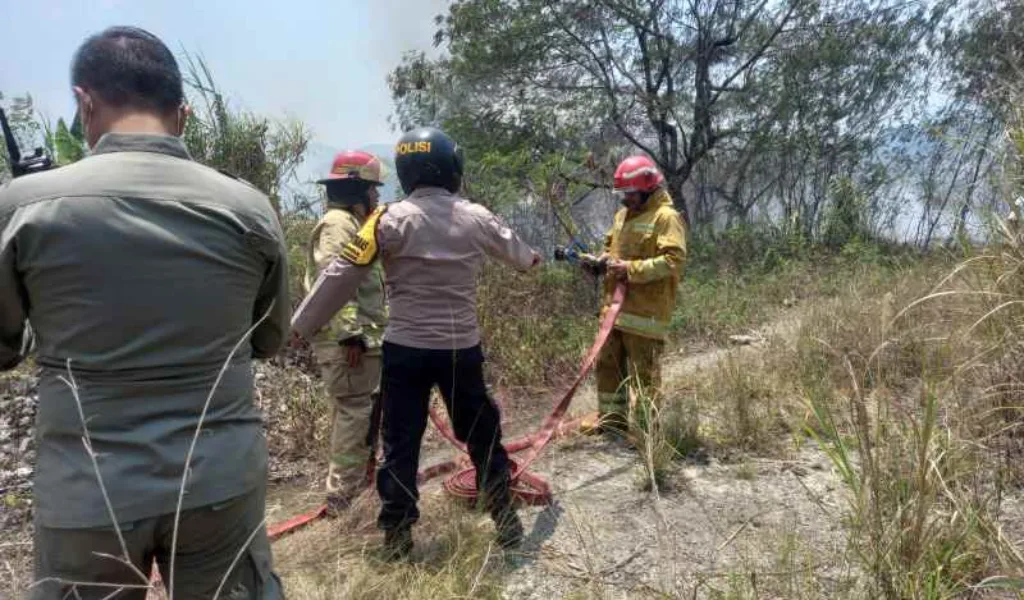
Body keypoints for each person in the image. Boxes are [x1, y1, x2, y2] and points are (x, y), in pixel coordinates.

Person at [0, 26, 288, 599]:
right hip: (219, 479)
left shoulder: (23, 207)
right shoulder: (249, 209)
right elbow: (268, 339)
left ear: (84, 103)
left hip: (87, 491)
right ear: (182, 114)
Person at [291, 126, 540, 558]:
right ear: (451, 168)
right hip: (460, 350)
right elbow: (524, 258)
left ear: (407, 172)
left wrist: (300, 326)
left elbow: (339, 274)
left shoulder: (385, 220)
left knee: (400, 443)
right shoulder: (476, 216)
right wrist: (532, 258)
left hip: (404, 351)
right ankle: (505, 519)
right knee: (482, 434)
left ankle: (397, 537)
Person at [306, 150, 388, 514]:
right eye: (373, 190)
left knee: (359, 415)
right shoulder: (339, 225)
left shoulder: (353, 224)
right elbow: (334, 281)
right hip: (349, 344)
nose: (377, 197)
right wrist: (350, 334)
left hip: (362, 341)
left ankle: (357, 489)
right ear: (357, 191)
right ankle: (343, 499)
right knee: (355, 415)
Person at [592, 156, 687, 435]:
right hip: (614, 312)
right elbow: (611, 248)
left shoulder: (666, 218)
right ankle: (612, 425)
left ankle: (647, 434)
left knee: (643, 377)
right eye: (622, 194)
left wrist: (630, 269)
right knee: (607, 367)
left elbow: (673, 262)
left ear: (648, 188)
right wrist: (599, 262)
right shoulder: (622, 216)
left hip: (646, 316)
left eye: (630, 193)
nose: (625, 199)